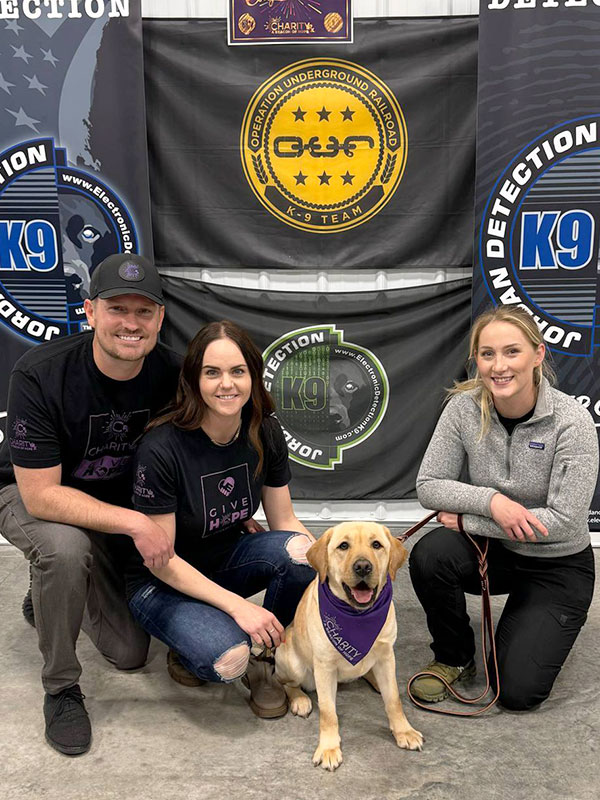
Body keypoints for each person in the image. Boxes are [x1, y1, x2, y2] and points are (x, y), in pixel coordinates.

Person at [0, 253, 182, 755]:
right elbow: (40, 494)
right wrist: (133, 523)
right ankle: (60, 688)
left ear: (160, 318)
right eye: (116, 309)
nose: (131, 323)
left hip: (109, 503)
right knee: (62, 549)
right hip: (28, 490)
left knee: (128, 654)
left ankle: (49, 596)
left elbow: (192, 459)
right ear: (89, 311)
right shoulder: (40, 373)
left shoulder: (172, 372)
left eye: (144, 312)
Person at [409, 304, 597, 711]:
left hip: (557, 565)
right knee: (431, 553)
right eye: (487, 354)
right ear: (475, 359)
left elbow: (563, 522)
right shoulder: (462, 408)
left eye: (512, 352)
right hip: (496, 554)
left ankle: (537, 619)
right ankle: (453, 658)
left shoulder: (572, 421)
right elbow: (428, 485)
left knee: (516, 693)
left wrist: (469, 518)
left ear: (538, 354)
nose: (499, 366)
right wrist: (494, 502)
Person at [127, 320, 315, 719]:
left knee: (303, 554)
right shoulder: (161, 448)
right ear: (193, 380)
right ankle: (193, 643)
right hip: (160, 580)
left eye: (238, 372)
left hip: (223, 561)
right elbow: (162, 561)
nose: (226, 384)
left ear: (253, 376)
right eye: (212, 372)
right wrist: (238, 608)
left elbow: (285, 520)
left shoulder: (264, 429)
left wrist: (335, 571)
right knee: (227, 658)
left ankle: (268, 660)